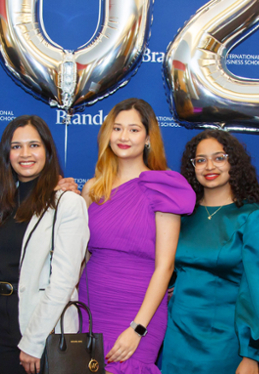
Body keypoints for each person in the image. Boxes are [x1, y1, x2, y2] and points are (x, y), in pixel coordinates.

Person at [79, 98, 195, 374]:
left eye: (133, 130)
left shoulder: (163, 185)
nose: (123, 137)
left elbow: (165, 266)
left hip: (140, 307)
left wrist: (137, 327)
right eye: (117, 128)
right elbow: (80, 256)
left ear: (147, 138)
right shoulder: (93, 189)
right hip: (92, 303)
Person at [162, 130, 259, 374]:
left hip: (225, 342)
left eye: (219, 158)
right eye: (201, 160)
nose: (209, 166)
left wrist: (252, 354)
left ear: (233, 163)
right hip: (176, 335)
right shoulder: (182, 215)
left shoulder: (252, 217)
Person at [0, 116, 89, 374]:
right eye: (16, 146)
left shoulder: (67, 203)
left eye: (34, 145)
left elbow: (64, 280)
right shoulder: (0, 203)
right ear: (7, 154)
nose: (25, 154)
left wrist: (34, 340)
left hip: (41, 324)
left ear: (47, 151)